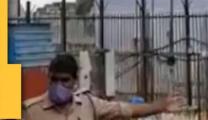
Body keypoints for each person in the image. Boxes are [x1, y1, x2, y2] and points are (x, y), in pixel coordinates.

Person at [22, 53, 185, 120]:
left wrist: (160, 106)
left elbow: (127, 110)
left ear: (75, 80)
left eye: (64, 80)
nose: (58, 85)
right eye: (54, 80)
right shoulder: (31, 111)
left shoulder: (88, 104)